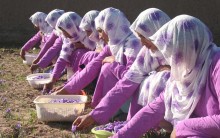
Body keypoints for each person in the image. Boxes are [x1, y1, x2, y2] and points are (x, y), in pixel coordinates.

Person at [111, 15, 220, 138]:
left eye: (176, 53)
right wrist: (120, 136)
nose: (172, 60)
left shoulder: (216, 65)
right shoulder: (186, 70)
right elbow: (154, 109)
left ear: (188, 46)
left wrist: (182, 127)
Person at [72, 8, 171, 129]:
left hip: (174, 109)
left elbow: (128, 80)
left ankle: (160, 126)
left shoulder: (133, 44)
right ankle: (137, 124)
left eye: (143, 37)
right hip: (136, 100)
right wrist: (94, 114)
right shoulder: (144, 52)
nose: (142, 43)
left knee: (159, 79)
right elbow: (124, 82)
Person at [52, 7, 142, 110]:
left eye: (99, 31)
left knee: (98, 61)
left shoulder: (132, 45)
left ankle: (113, 108)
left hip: (131, 93)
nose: (98, 36)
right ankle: (102, 103)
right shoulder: (111, 45)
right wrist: (67, 88)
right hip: (80, 68)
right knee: (91, 59)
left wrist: (113, 64)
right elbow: (88, 68)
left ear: (110, 28)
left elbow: (132, 78)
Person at [44, 12, 96, 91]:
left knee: (80, 53)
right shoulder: (69, 40)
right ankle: (77, 82)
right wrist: (53, 80)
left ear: (72, 28)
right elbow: (62, 58)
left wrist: (84, 47)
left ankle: (86, 84)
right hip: (79, 72)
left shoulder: (90, 35)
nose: (64, 35)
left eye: (65, 31)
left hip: (91, 71)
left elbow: (98, 53)